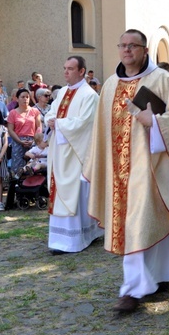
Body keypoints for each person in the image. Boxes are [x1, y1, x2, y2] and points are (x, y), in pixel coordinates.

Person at [87, 29, 169, 313]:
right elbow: (100, 130)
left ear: (145, 50)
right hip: (117, 171)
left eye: (132, 46)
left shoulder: (161, 79)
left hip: (150, 166)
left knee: (142, 221)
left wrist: (155, 121)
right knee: (137, 222)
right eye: (122, 45)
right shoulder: (110, 85)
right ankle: (155, 277)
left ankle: (135, 289)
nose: (126, 50)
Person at [45, 55, 103, 255]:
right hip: (60, 150)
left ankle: (75, 239)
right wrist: (50, 120)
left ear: (81, 71)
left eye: (70, 68)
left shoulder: (90, 95)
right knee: (61, 190)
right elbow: (51, 112)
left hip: (77, 153)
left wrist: (58, 123)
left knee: (76, 192)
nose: (65, 72)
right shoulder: (61, 92)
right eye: (64, 68)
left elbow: (85, 123)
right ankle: (61, 239)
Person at [7, 88, 42, 177]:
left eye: (27, 97)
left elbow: (39, 126)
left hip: (33, 140)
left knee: (33, 165)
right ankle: (17, 186)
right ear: (17, 99)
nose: (25, 99)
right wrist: (19, 141)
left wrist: (35, 140)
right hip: (18, 141)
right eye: (23, 97)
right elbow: (10, 130)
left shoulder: (35, 111)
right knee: (18, 168)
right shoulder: (13, 113)